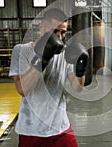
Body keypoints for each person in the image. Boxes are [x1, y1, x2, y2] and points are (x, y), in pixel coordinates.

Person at [9, 8, 88, 147]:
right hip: (31, 129)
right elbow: (22, 89)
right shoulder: (21, 50)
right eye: (54, 32)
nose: (59, 37)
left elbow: (77, 88)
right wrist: (43, 57)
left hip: (60, 126)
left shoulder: (65, 54)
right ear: (41, 27)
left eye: (63, 32)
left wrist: (80, 69)